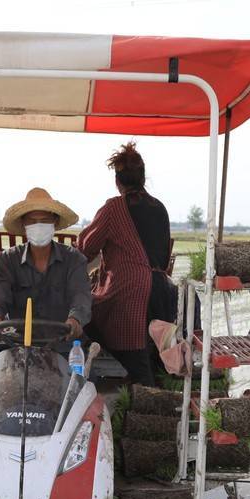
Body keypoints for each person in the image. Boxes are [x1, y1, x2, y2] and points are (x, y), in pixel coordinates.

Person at [78, 142, 174, 386]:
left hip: (130, 293)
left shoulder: (114, 208)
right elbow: (162, 258)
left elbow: (85, 248)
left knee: (85, 313)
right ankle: (145, 388)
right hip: (163, 292)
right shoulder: (160, 207)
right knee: (144, 361)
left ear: (117, 181)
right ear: (143, 178)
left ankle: (141, 395)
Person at [0, 188, 91, 372]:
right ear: (24, 225)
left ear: (55, 222)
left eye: (44, 221)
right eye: (32, 221)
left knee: (83, 382)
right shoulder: (8, 260)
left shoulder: (74, 259)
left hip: (62, 345)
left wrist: (74, 321)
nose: (39, 225)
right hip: (17, 344)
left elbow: (81, 298)